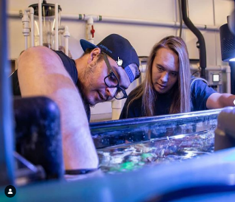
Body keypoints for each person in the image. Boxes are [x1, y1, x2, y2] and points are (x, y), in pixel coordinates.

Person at [11, 34, 140, 175]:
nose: (111, 93)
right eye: (113, 77)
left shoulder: (83, 103)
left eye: (119, 89)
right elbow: (35, 55)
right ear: (94, 55)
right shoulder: (65, 67)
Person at [120, 35, 235, 119]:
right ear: (151, 63)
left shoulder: (193, 88)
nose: (164, 79)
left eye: (173, 73)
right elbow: (120, 142)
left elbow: (220, 100)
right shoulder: (135, 100)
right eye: (160, 68)